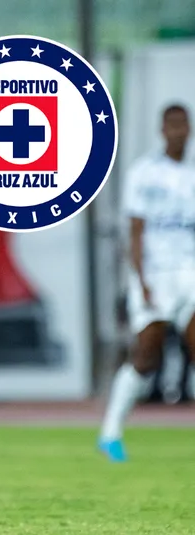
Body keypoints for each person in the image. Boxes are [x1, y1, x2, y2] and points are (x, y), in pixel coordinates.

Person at [99, 104, 195, 462]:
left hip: (188, 273)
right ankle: (110, 433)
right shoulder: (144, 173)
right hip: (155, 274)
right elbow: (136, 231)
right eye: (172, 124)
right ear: (162, 129)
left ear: (189, 128)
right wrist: (141, 279)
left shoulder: (192, 173)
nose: (178, 131)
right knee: (146, 355)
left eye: (183, 124)